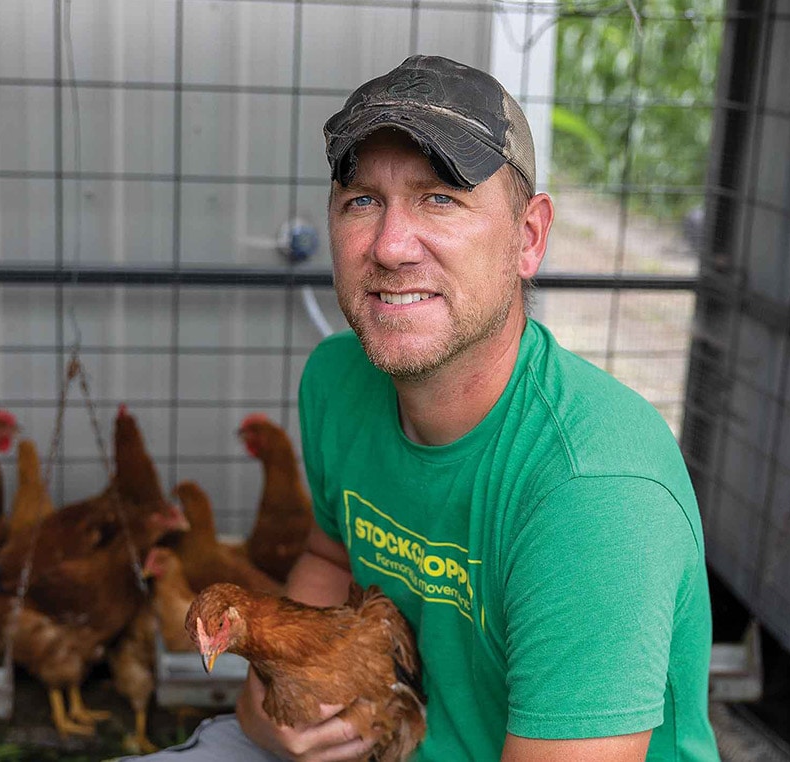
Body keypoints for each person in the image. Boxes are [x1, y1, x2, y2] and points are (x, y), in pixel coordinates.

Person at [123, 55, 719, 762]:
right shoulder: (336, 379)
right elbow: (329, 552)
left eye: (440, 197)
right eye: (361, 201)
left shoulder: (594, 491)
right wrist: (279, 701)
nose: (390, 246)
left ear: (529, 237)